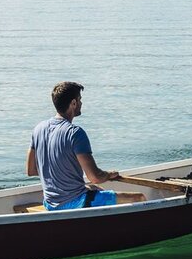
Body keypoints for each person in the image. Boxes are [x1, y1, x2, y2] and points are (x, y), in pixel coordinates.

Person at [27, 81, 129, 210]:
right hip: (75, 203)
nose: (81, 103)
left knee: (95, 189)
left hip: (50, 204)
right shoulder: (75, 133)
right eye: (80, 100)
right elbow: (95, 177)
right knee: (138, 197)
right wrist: (109, 174)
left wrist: (62, 179)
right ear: (73, 103)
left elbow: (31, 171)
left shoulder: (38, 129)